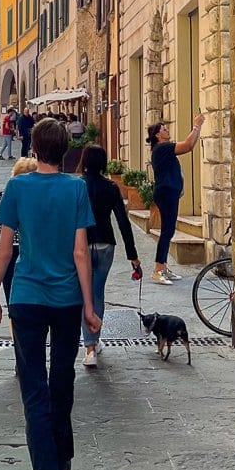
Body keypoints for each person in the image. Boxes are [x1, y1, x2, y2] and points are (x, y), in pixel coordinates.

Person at [0, 118, 101, 470]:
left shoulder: (18, 188)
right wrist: (90, 306)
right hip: (68, 300)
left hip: (28, 298)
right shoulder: (76, 189)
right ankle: (63, 454)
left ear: (34, 148)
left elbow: (5, 246)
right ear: (65, 150)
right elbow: (79, 252)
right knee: (63, 380)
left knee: (35, 395)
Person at [79, 144, 141, 366]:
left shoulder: (77, 185)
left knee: (84, 293)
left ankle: (90, 348)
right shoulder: (111, 187)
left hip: (82, 245)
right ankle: (94, 339)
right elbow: (123, 222)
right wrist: (132, 255)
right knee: (97, 293)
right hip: (106, 243)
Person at [146, 113, 205, 284]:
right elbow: (187, 145)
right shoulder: (162, 148)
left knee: (169, 230)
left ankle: (163, 267)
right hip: (166, 193)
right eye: (164, 129)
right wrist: (197, 126)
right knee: (167, 231)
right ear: (158, 135)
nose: (167, 130)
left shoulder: (162, 150)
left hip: (168, 192)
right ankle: (158, 269)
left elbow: (188, 145)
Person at [0, 157, 35, 313]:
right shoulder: (38, 196)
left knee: (13, 302)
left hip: (10, 253)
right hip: (32, 251)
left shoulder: (6, 194)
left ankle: (16, 336)